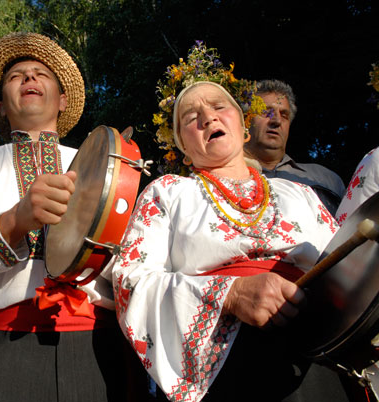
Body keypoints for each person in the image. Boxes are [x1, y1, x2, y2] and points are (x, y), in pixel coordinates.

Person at [112, 81, 350, 401]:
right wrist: (231, 294)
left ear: (243, 128)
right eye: (190, 117)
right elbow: (130, 281)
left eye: (218, 107)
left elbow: (347, 271)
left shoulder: (301, 195)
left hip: (316, 350)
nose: (208, 118)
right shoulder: (166, 194)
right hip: (225, 366)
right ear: (183, 149)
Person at [0, 32, 147, 401]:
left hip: (96, 345)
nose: (29, 79)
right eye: (16, 76)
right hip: (0, 346)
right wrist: (17, 219)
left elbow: (133, 258)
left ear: (63, 100)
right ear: (2, 103)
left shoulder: (102, 161)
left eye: (40, 73)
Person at [244, 79, 345, 216]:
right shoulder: (224, 177)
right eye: (265, 112)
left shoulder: (326, 179)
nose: (276, 121)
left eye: (284, 115)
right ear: (245, 120)